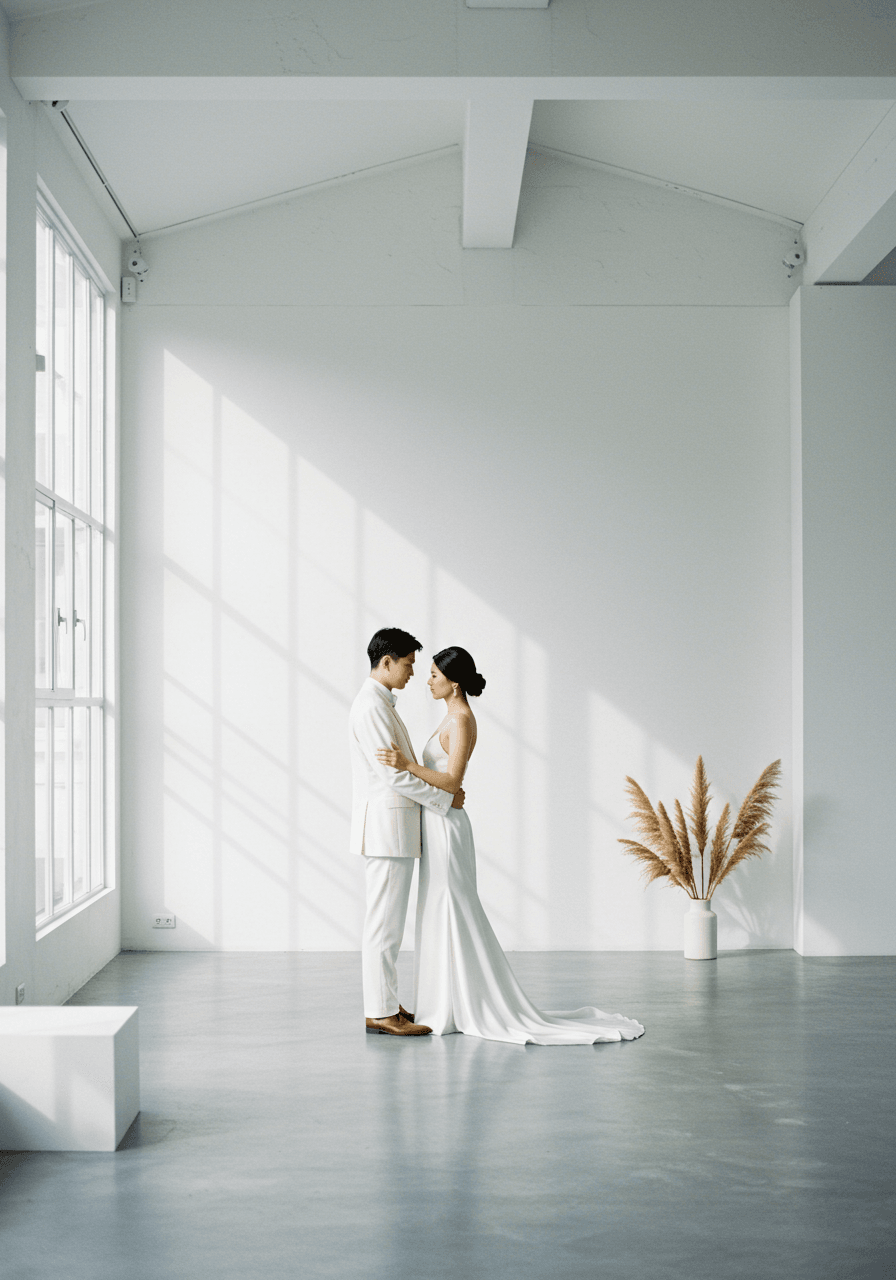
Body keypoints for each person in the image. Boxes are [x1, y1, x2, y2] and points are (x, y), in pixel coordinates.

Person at [376, 646, 645, 1046]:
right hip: (435, 823)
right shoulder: (450, 717)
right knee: (436, 910)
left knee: (452, 908)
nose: (427, 680)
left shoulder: (462, 720)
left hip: (447, 827)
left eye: (433, 674)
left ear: (454, 681)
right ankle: (441, 1004)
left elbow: (452, 783)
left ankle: (462, 1004)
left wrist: (407, 766)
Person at [349, 627, 465, 1037]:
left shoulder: (380, 703)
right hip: (386, 829)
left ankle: (384, 1003)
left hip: (393, 829)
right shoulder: (371, 707)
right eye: (409, 665)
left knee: (388, 924)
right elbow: (392, 775)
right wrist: (443, 799)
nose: (413, 673)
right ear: (386, 662)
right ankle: (381, 1013)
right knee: (384, 925)